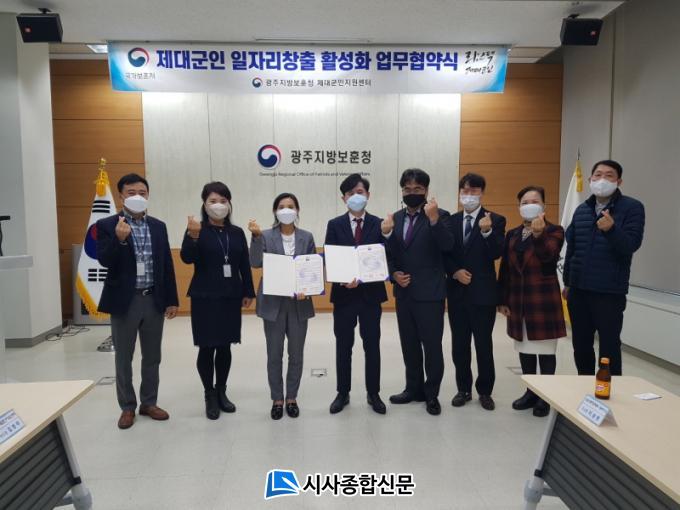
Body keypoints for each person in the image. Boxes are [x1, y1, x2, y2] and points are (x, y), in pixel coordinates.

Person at [96, 173, 179, 430]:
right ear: (121, 196)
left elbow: (166, 265)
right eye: (131, 193)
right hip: (125, 301)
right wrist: (119, 240)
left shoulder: (158, 226)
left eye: (142, 193)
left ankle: (149, 402)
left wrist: (172, 299)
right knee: (124, 357)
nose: (137, 197)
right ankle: (127, 406)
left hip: (153, 299)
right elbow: (104, 260)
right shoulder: (107, 225)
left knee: (152, 356)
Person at [180, 182, 255, 420]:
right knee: (207, 346)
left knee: (225, 346)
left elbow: (244, 263)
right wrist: (192, 236)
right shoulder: (196, 229)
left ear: (229, 204)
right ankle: (209, 394)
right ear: (204, 204)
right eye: (213, 201)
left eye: (223, 201)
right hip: (205, 297)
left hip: (231, 296)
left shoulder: (237, 232)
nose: (218, 205)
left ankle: (222, 390)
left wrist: (248, 291)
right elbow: (186, 258)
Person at [384, 168, 455, 416]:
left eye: (417, 189)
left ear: (426, 191)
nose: (411, 193)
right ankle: (412, 389)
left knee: (432, 347)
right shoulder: (395, 218)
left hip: (430, 294)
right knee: (409, 345)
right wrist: (393, 273)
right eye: (407, 189)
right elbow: (389, 254)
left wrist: (434, 220)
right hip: (404, 294)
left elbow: (448, 245)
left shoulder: (441, 216)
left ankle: (431, 394)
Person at [564, 160, 645, 376]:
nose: (602, 180)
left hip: (609, 292)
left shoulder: (632, 208)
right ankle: (584, 384)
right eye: (598, 175)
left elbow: (631, 245)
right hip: (578, 290)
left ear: (619, 181)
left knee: (609, 346)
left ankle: (609, 389)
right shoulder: (582, 210)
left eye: (609, 176)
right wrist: (568, 283)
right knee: (581, 345)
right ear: (590, 179)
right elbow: (572, 249)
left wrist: (611, 230)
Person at [497, 186, 565, 417]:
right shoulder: (512, 234)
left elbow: (549, 256)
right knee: (524, 348)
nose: (529, 206)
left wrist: (539, 234)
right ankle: (530, 391)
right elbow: (506, 268)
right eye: (524, 202)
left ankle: (545, 397)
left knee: (545, 351)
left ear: (544, 206)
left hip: (542, 301)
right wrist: (502, 298)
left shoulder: (554, 231)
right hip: (517, 300)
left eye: (534, 201)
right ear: (519, 207)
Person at [325, 174, 388, 415]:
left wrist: (388, 235)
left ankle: (374, 393)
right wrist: (343, 278)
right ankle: (343, 392)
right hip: (344, 295)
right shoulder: (334, 224)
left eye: (360, 192)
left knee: (372, 346)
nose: (355, 197)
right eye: (350, 193)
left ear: (368, 195)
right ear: (344, 198)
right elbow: (331, 257)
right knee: (344, 346)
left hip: (371, 295)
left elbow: (384, 256)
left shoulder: (379, 224)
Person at [249, 193, 316, 420]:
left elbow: (311, 268)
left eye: (290, 206)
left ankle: (292, 398)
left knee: (296, 354)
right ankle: (277, 398)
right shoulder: (265, 236)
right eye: (281, 206)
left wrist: (308, 287)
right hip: (273, 304)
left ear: (297, 210)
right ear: (275, 211)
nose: (286, 210)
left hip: (299, 303)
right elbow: (255, 262)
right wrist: (255, 237)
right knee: (274, 354)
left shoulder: (307, 237)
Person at [445, 173, 506, 411]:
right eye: (465, 191)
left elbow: (496, 253)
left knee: (483, 345)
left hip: (483, 294)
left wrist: (487, 232)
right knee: (459, 345)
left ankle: (485, 391)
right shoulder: (450, 221)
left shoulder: (495, 219)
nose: (468, 195)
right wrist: (454, 272)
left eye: (474, 191)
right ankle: (463, 389)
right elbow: (444, 254)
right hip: (457, 293)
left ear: (482, 193)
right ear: (459, 193)